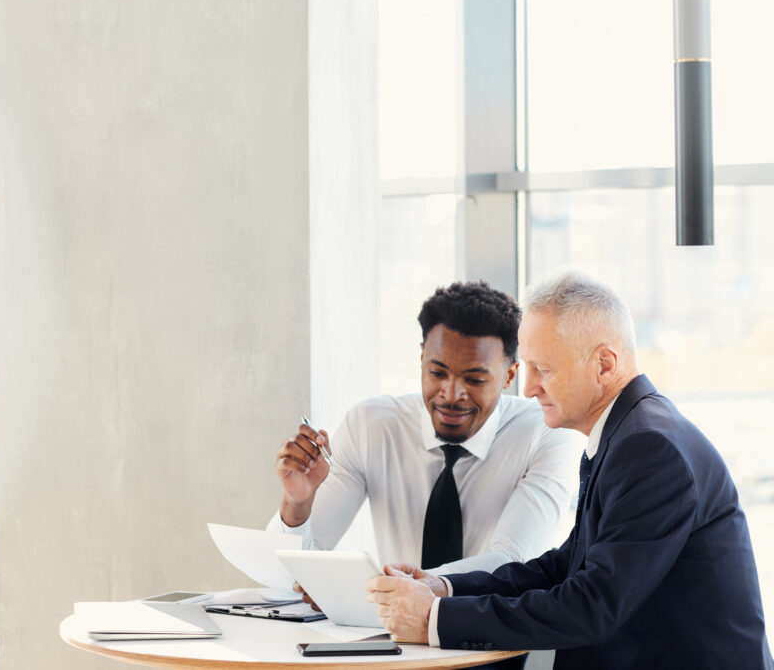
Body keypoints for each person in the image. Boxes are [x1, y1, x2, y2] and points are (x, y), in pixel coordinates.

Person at [368, 271, 773, 669]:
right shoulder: (628, 433)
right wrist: (443, 588)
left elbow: (592, 605)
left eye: (543, 369)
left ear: (604, 364)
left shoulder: (649, 447)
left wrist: (433, 619)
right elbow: (565, 566)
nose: (528, 388)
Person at [268, 281, 583, 577]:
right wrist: (297, 505)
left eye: (474, 380)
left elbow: (511, 562)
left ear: (509, 375)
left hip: (501, 633)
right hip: (393, 631)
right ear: (421, 358)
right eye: (437, 372)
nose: (451, 394)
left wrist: (396, 588)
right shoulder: (371, 426)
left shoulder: (547, 432)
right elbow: (291, 571)